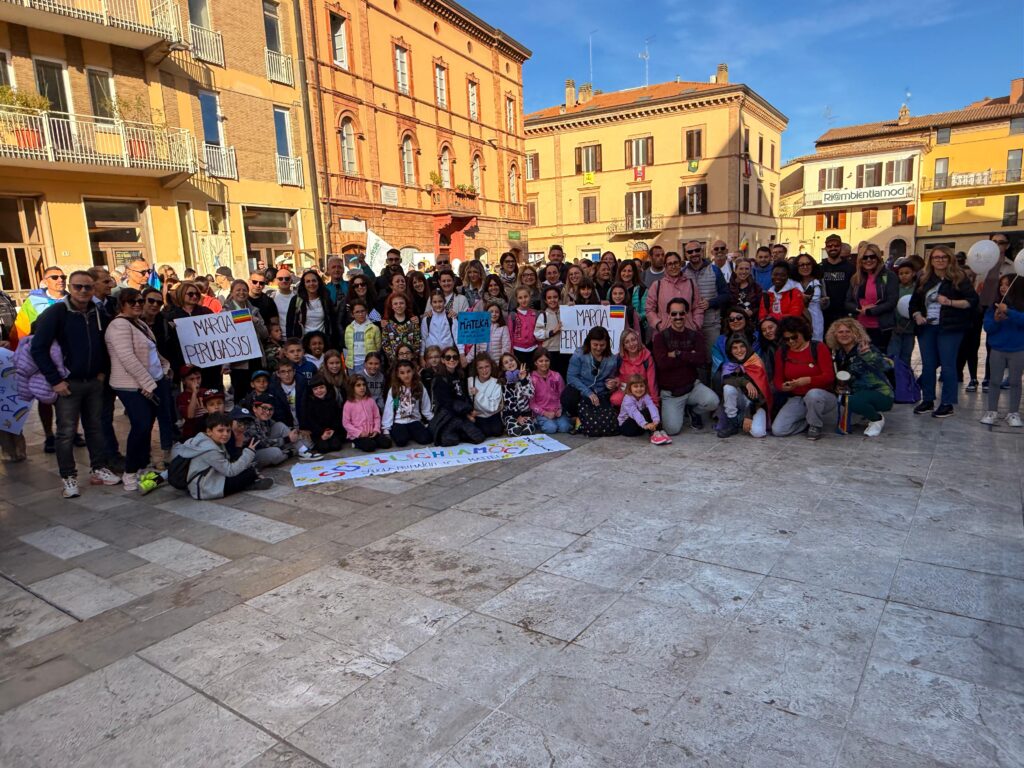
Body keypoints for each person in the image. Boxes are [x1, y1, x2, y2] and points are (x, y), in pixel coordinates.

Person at [30, 271, 120, 497]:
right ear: (70, 287)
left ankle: (98, 468)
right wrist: (55, 381)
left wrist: (102, 372)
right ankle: (68, 477)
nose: (83, 291)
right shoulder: (56, 313)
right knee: (66, 432)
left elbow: (105, 344)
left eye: (87, 287)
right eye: (78, 286)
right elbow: (38, 348)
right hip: (67, 383)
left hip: (93, 381)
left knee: (95, 427)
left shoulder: (97, 312)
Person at [104, 288, 173, 490]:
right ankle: (130, 470)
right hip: (131, 385)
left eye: (140, 301)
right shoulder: (118, 326)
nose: (137, 304)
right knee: (141, 425)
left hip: (151, 381)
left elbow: (152, 350)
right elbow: (127, 358)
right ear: (121, 304)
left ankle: (142, 465)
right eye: (131, 301)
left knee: (147, 424)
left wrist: (164, 367)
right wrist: (147, 384)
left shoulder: (139, 323)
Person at [910, 246, 979, 418]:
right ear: (931, 260)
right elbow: (914, 302)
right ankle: (927, 400)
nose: (940, 260)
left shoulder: (959, 278)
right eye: (936, 257)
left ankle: (947, 403)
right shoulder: (924, 279)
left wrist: (949, 302)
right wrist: (917, 315)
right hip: (927, 327)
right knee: (928, 365)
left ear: (950, 259)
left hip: (950, 328)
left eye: (943, 257)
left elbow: (972, 301)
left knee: (948, 366)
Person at [9, 265, 67, 452]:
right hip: (43, 357)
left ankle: (69, 432)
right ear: (45, 281)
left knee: (67, 398)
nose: (60, 280)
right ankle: (49, 435)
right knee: (45, 397)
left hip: (67, 356)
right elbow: (23, 328)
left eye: (62, 276)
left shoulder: (72, 299)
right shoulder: (33, 301)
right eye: (54, 277)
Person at [652, 298, 719, 436]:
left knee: (713, 401)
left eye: (681, 313)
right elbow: (662, 364)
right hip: (671, 393)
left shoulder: (696, 335)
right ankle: (681, 410)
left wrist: (677, 354)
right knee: (672, 430)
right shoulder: (660, 338)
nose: (678, 317)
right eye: (674, 313)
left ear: (686, 314)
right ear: (668, 315)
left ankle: (694, 411)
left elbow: (701, 360)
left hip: (692, 386)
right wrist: (689, 356)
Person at [173, 413, 272, 499]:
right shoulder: (209, 450)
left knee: (247, 468)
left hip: (208, 481)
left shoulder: (207, 441)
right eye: (220, 430)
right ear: (209, 431)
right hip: (205, 489)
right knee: (249, 473)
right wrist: (249, 453)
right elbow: (230, 471)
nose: (225, 434)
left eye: (228, 430)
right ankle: (249, 484)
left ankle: (248, 482)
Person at [771, 316, 836, 440]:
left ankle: (815, 425)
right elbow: (777, 379)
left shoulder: (818, 347)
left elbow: (829, 377)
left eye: (794, 337)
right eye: (786, 339)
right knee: (778, 430)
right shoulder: (782, 352)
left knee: (813, 394)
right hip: (797, 397)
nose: (790, 341)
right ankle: (807, 422)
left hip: (822, 396)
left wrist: (808, 380)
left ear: (802, 333)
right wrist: (783, 387)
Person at [826, 318, 894, 437]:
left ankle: (877, 419)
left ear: (856, 333)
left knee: (853, 401)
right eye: (840, 332)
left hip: (881, 393)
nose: (844, 334)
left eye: (848, 331)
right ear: (834, 335)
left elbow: (887, 366)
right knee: (844, 398)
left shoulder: (864, 348)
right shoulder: (839, 354)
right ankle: (864, 413)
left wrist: (868, 355)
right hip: (858, 392)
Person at [981, 274, 1024, 427]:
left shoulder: (1020, 306)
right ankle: (991, 411)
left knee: (1015, 382)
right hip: (997, 349)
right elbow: (988, 328)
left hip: (1018, 349)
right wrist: (997, 321)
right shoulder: (994, 305)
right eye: (1001, 284)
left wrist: (1010, 312)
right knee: (994, 381)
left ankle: (1013, 413)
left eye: (1007, 284)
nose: (1002, 287)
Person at [564, 326, 620, 436]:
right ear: (589, 342)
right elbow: (571, 377)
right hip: (580, 391)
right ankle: (576, 417)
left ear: (607, 344)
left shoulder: (612, 359)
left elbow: (611, 377)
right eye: (595, 345)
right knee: (568, 395)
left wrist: (610, 384)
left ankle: (583, 421)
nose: (598, 348)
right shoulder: (579, 354)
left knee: (609, 424)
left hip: (600, 393)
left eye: (602, 345)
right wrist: (588, 392)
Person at [166, 281, 221, 390]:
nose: (194, 296)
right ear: (182, 294)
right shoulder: (172, 315)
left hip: (209, 364)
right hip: (185, 364)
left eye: (197, 294)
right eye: (190, 294)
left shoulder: (206, 312)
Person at [845, 243, 898, 351]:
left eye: (872, 256)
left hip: (881, 328)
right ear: (860, 260)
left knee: (879, 361)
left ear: (878, 258)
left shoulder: (888, 276)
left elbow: (892, 301)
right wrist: (858, 309)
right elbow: (848, 301)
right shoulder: (856, 278)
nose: (868, 260)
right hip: (860, 328)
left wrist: (871, 311)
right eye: (865, 257)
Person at [427, 346, 485, 446]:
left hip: (461, 412)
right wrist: (467, 413)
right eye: (448, 357)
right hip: (448, 415)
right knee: (449, 441)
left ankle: (461, 431)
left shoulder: (460, 375)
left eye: (455, 357)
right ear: (443, 360)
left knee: (479, 437)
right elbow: (447, 403)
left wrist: (471, 409)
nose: (452, 360)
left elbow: (464, 395)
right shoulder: (439, 379)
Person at [682, 240, 730, 361]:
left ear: (702, 251)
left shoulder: (714, 270)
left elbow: (726, 295)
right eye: (690, 251)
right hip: (690, 324)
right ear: (686, 254)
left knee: (713, 358)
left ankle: (713, 380)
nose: (694, 253)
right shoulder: (682, 273)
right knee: (693, 358)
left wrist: (710, 303)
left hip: (711, 324)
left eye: (697, 250)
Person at [222, 279, 269, 401]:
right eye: (238, 290)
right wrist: (225, 363)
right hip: (238, 361)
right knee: (241, 392)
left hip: (256, 358)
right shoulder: (225, 312)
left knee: (258, 391)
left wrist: (256, 322)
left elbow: (265, 334)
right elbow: (222, 339)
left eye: (244, 290)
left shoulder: (254, 311)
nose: (241, 293)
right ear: (231, 293)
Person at [717, 334, 770, 439]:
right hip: (739, 402)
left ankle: (744, 419)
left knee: (757, 433)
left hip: (756, 404)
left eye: (742, 346)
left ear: (747, 346)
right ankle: (733, 423)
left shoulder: (756, 362)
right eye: (734, 348)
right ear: (730, 350)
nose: (739, 350)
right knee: (728, 388)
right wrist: (745, 382)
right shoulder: (730, 364)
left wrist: (749, 415)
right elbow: (726, 380)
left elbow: (762, 394)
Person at [645, 251, 703, 336]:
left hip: (688, 332)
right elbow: (649, 309)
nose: (673, 266)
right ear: (665, 266)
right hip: (665, 333)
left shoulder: (690, 284)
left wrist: (696, 325)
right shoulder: (657, 285)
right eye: (670, 264)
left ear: (680, 264)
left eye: (676, 263)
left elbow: (698, 307)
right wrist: (658, 325)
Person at [382, 361, 433, 446]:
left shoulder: (419, 386)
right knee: (401, 441)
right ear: (398, 375)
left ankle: (413, 433)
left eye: (408, 371)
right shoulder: (395, 389)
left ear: (413, 371)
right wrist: (386, 428)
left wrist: (431, 419)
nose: (406, 375)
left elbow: (425, 406)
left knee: (426, 439)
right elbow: (389, 409)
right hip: (399, 421)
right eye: (402, 373)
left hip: (414, 420)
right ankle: (406, 433)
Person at [245, 395, 305, 465]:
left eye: (270, 409)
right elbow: (263, 443)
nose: (267, 412)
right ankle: (290, 452)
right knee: (276, 453)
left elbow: (280, 427)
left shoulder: (264, 418)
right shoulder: (249, 421)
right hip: (251, 453)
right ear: (255, 408)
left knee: (280, 425)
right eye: (264, 408)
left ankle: (303, 450)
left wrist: (294, 431)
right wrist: (287, 439)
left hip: (265, 445)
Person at [287, 269, 339, 349]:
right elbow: (290, 323)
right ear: (304, 284)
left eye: (314, 281)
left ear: (318, 282)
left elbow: (332, 322)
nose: (311, 284)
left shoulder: (326, 300)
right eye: (308, 281)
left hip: (323, 343)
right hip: (304, 344)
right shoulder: (296, 300)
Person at [618, 374, 670, 444]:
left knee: (655, 408)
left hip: (640, 425)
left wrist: (656, 421)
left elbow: (651, 406)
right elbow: (634, 413)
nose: (639, 389)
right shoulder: (628, 399)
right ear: (630, 388)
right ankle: (653, 434)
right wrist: (644, 424)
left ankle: (659, 431)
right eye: (635, 386)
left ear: (645, 387)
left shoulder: (645, 396)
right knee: (644, 411)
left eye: (641, 386)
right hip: (627, 427)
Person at [612, 329, 658, 408]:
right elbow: (616, 376)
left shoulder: (647, 357)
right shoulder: (619, 358)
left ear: (638, 340)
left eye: (633, 340)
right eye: (627, 342)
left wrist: (655, 403)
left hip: (641, 390)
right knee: (615, 399)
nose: (631, 344)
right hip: (626, 390)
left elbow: (652, 382)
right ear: (623, 346)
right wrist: (615, 381)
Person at [300, 374, 345, 454]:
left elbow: (337, 417)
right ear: (312, 391)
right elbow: (311, 421)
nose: (319, 391)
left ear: (326, 387)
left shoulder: (332, 401)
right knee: (323, 448)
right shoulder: (310, 404)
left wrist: (332, 430)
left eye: (321, 387)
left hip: (332, 431)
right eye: (315, 389)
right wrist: (322, 432)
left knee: (336, 446)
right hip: (318, 433)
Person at [530, 349, 571, 433]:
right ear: (535, 363)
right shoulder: (531, 379)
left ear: (550, 361)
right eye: (540, 361)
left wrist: (560, 409)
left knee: (565, 428)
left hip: (557, 411)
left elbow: (563, 395)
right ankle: (539, 422)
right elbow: (532, 403)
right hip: (542, 412)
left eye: (546, 361)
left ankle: (560, 421)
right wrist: (545, 413)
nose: (544, 363)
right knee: (551, 428)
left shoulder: (556, 376)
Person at [821, 234, 855, 331]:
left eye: (836, 245)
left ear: (841, 247)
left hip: (844, 314)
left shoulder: (850, 268)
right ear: (826, 248)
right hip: (825, 315)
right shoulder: (820, 268)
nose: (833, 248)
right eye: (830, 246)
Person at [888, 260, 918, 367]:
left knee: (906, 355)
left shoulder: (917, 289)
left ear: (913, 273)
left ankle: (905, 379)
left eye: (907, 273)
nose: (904, 276)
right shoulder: (895, 288)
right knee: (893, 354)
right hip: (896, 328)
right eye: (901, 273)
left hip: (910, 329)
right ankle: (894, 378)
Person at [499, 353, 536, 437]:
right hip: (511, 413)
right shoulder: (503, 381)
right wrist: (518, 416)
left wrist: (523, 380)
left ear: (516, 361)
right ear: (503, 367)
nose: (510, 363)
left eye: (511, 360)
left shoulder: (525, 375)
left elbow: (530, 394)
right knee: (515, 432)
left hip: (525, 412)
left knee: (528, 431)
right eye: (506, 362)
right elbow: (509, 402)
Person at [468, 353, 504, 437]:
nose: (484, 370)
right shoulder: (470, 381)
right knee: (483, 432)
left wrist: (478, 394)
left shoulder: (496, 383)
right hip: (477, 416)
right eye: (480, 368)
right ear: (476, 369)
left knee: (497, 431)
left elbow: (493, 407)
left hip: (492, 414)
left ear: (491, 366)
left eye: (487, 366)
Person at [381, 292, 421, 366]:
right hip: (395, 363)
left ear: (406, 305)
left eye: (401, 303)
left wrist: (412, 356)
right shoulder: (387, 324)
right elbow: (385, 343)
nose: (399, 306)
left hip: (411, 362)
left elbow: (417, 341)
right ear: (392, 306)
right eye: (395, 304)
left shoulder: (413, 322)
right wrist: (394, 357)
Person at [344, 300, 382, 374]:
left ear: (366, 311)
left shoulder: (374, 328)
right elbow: (347, 345)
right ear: (352, 314)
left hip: (368, 364)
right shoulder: (349, 328)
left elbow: (378, 347)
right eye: (357, 312)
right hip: (352, 364)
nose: (360, 314)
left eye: (363, 311)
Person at [794, 254, 825, 341]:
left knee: (815, 347)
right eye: (802, 265)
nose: (805, 267)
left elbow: (825, 300)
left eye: (808, 264)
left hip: (816, 320)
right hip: (797, 320)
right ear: (797, 266)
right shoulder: (791, 283)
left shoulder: (819, 281)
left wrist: (824, 302)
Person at [508, 286, 540, 366]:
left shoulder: (535, 314)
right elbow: (510, 334)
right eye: (520, 298)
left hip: (533, 349)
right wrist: (510, 350)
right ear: (517, 299)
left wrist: (539, 347)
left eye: (526, 296)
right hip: (518, 350)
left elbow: (539, 331)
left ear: (530, 296)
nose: (523, 300)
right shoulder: (513, 315)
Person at [727, 257, 762, 322]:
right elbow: (725, 307)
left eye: (747, 269)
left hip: (751, 323)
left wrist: (752, 311)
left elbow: (760, 306)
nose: (744, 272)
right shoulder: (727, 287)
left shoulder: (756, 287)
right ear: (735, 270)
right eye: (741, 269)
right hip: (733, 322)